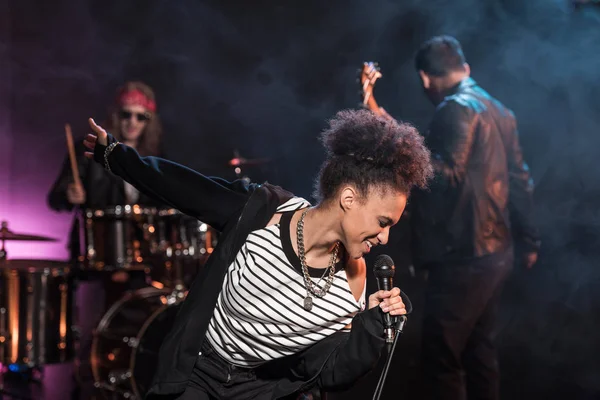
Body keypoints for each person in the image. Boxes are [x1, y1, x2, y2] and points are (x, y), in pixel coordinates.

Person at [82, 108, 433, 399]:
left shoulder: (355, 281)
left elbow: (329, 371)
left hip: (263, 392)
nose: (385, 238)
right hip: (198, 375)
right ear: (349, 199)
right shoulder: (264, 213)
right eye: (383, 221)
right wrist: (115, 155)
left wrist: (370, 328)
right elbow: (185, 188)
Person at [407, 36, 541, 400]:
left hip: (464, 254)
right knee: (480, 351)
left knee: (442, 358)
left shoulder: (455, 108)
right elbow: (520, 180)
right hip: (497, 252)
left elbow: (444, 175)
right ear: (465, 68)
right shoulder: (500, 110)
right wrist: (529, 241)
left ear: (424, 78)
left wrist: (405, 152)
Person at [47, 81, 165, 383]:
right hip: (95, 262)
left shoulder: (152, 159)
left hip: (138, 263)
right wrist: (68, 194)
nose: (133, 123)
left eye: (141, 117)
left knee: (134, 337)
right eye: (127, 114)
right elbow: (55, 199)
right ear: (116, 116)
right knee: (91, 337)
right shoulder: (88, 151)